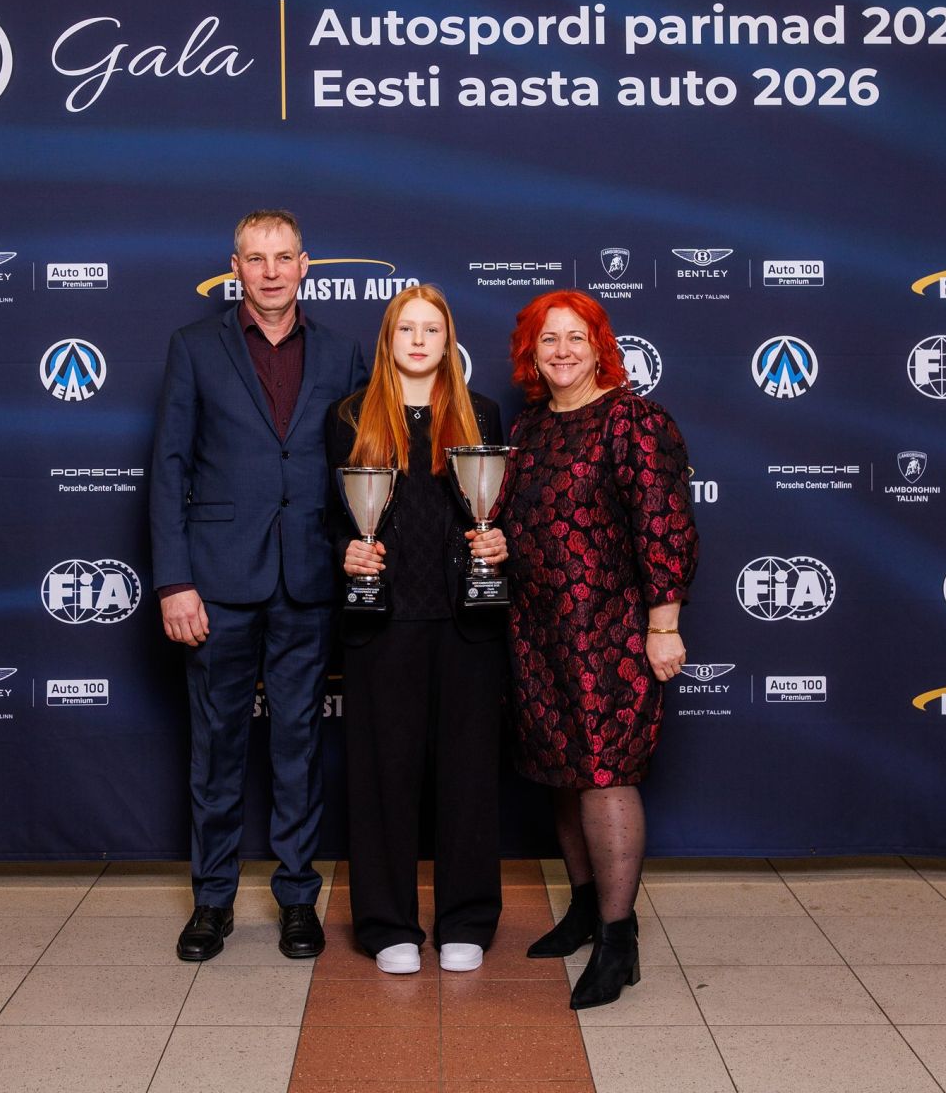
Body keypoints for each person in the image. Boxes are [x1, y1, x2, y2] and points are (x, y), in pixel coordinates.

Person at [150, 209, 366, 963]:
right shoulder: (194, 347)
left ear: (305, 265)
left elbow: (362, 469)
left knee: (299, 747)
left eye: (283, 257)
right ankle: (212, 902)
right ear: (234, 266)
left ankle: (298, 898)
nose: (270, 272)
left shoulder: (342, 353)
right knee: (216, 749)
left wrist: (359, 553)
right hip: (216, 582)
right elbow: (169, 468)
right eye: (255, 258)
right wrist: (174, 582)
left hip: (309, 579)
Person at [499, 290, 698, 1009]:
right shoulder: (529, 428)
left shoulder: (632, 420)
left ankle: (620, 940)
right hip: (536, 629)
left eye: (575, 338)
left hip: (608, 630)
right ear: (532, 352)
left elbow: (665, 525)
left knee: (605, 772)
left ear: (599, 348)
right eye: (548, 339)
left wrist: (663, 624)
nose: (561, 351)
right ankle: (584, 909)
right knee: (562, 770)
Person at [325, 284, 509, 975]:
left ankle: (467, 919)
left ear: (448, 338)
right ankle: (386, 923)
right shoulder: (349, 416)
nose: (420, 340)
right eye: (407, 328)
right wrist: (345, 552)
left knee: (468, 777)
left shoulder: (480, 413)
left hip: (466, 623)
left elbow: (498, 513)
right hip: (383, 622)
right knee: (383, 778)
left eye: (432, 328)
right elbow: (328, 519)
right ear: (388, 338)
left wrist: (500, 542)